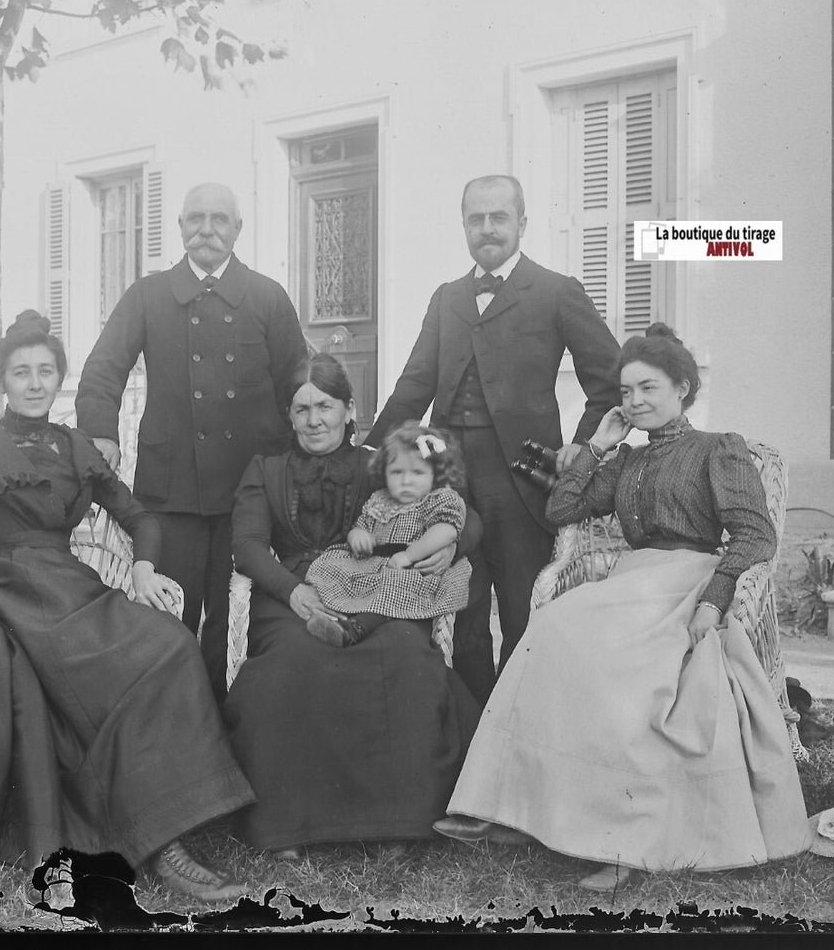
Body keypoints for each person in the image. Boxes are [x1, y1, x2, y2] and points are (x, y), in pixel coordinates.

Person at [0, 311, 255, 903]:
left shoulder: (77, 448)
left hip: (74, 583)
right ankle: (163, 845)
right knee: (100, 675)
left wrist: (143, 567)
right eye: (22, 372)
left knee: (171, 645)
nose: (35, 382)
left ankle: (170, 816)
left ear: (60, 378)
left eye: (47, 371)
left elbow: (139, 517)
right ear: (4, 380)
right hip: (11, 588)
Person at [434, 324, 814, 891]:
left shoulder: (719, 448)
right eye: (627, 392)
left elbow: (755, 537)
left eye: (649, 388)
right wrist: (597, 447)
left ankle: (623, 843)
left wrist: (714, 600)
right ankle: (520, 806)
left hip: (690, 580)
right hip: (631, 582)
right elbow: (562, 509)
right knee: (554, 630)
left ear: (683, 388)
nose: (635, 401)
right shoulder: (627, 461)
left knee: (629, 667)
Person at [366, 174, 621, 706]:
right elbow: (415, 384)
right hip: (448, 476)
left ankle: (517, 727)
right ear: (463, 226)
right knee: (460, 607)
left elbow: (609, 382)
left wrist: (579, 445)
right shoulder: (447, 298)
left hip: (521, 478)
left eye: (498, 217)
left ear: (522, 223)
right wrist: (370, 451)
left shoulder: (556, 291)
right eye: (475, 219)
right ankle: (466, 727)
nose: (487, 229)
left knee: (522, 604)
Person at [223, 355, 482, 856]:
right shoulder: (266, 470)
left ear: (348, 409)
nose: (314, 419)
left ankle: (398, 822)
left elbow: (458, 513)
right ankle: (288, 824)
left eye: (325, 406)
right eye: (301, 409)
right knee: (293, 662)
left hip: (374, 590)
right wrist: (290, 590)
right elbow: (249, 544)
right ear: (289, 416)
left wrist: (450, 545)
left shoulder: (377, 462)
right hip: (294, 592)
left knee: (404, 657)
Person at [75, 182, 310, 700]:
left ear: (237, 230)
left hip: (248, 489)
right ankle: (176, 730)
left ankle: (229, 727)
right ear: (180, 227)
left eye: (219, 220)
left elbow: (300, 382)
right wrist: (100, 434)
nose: (207, 230)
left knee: (235, 618)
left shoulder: (267, 297)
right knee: (168, 614)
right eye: (196, 219)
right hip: (171, 485)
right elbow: (101, 371)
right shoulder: (148, 295)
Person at [302, 421, 471, 647]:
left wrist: (409, 556)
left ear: (436, 474)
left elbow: (447, 531)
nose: (406, 480)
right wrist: (358, 536)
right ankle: (333, 615)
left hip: (413, 568)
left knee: (395, 585)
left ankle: (354, 630)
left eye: (417, 472)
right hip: (374, 563)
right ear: (384, 472)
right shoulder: (380, 500)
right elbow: (360, 526)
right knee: (336, 567)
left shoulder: (438, 498)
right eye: (397, 472)